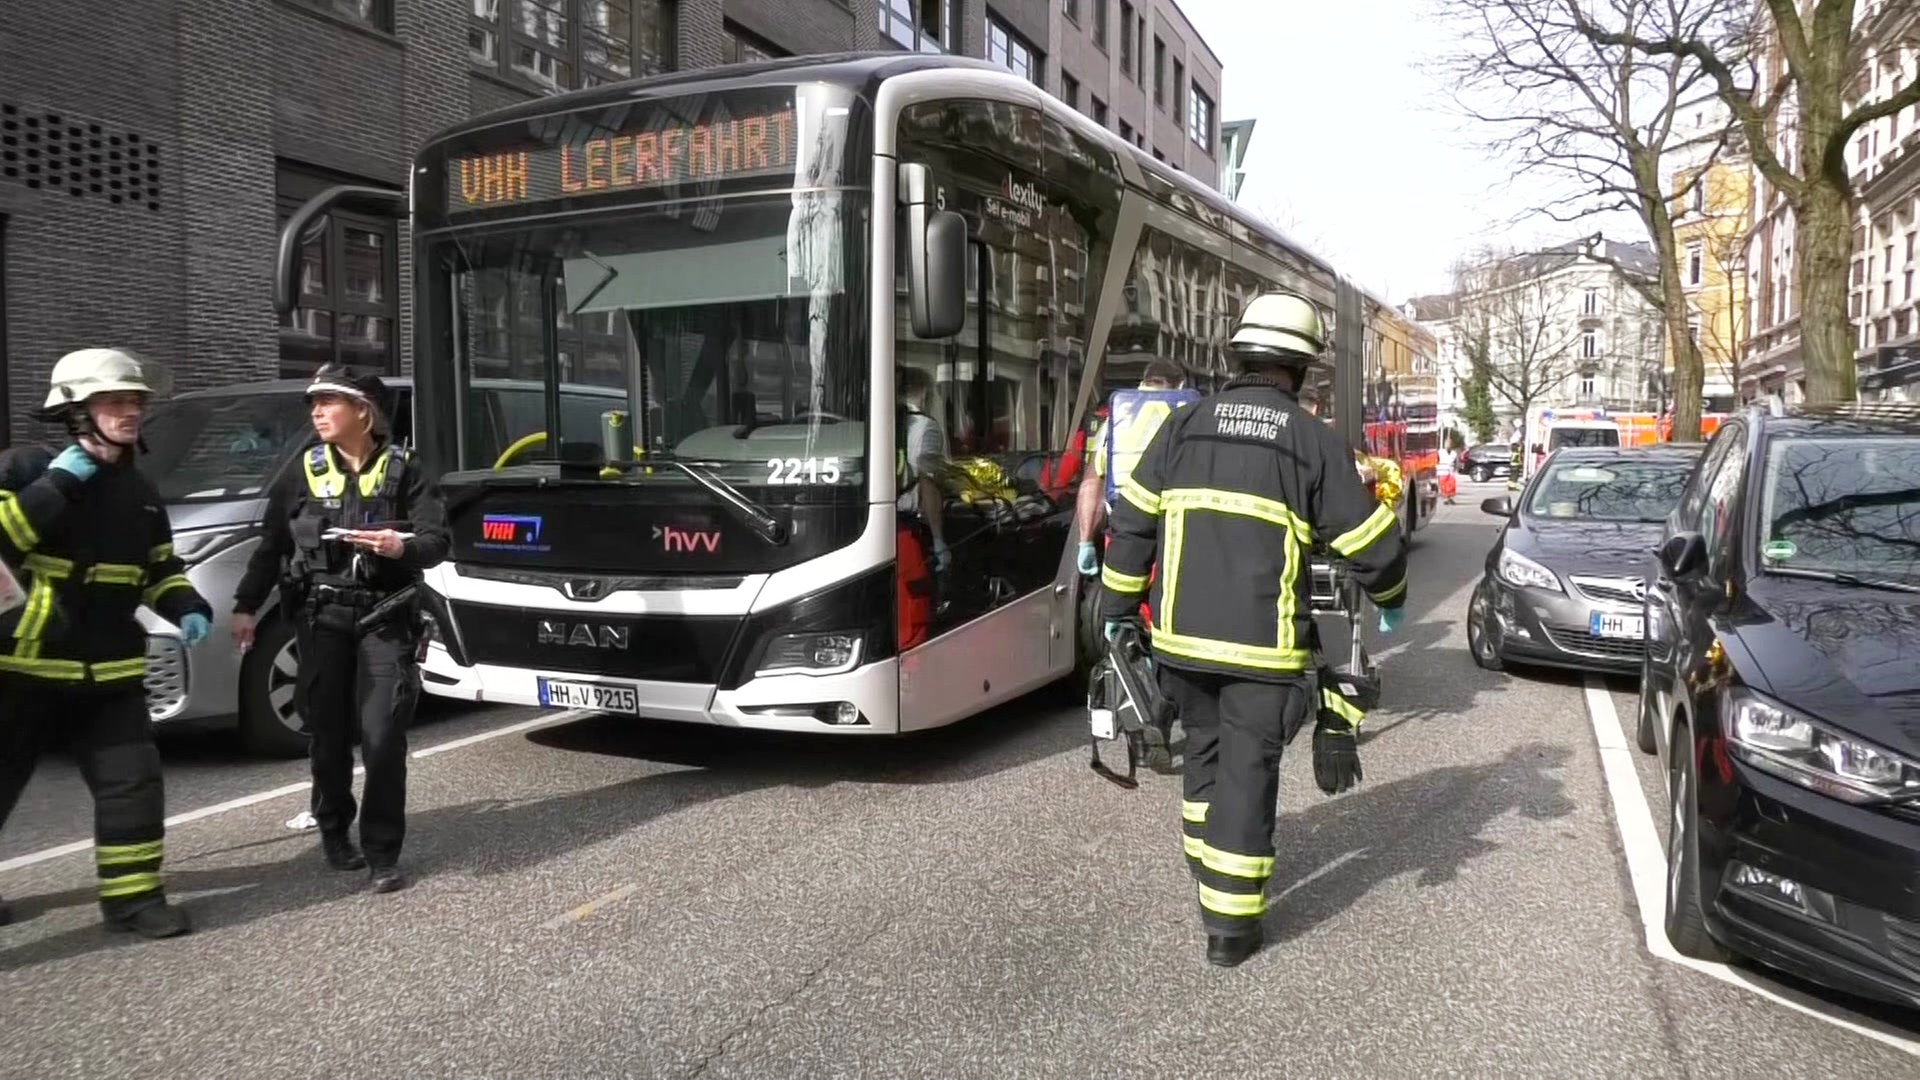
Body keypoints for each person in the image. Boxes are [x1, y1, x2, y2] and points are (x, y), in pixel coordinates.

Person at [1098, 292, 1409, 968]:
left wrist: (1116, 611)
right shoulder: (1309, 440)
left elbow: (1132, 525)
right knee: (1246, 775)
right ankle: (1231, 929)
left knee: (1204, 763)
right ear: (1299, 367)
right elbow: (1373, 548)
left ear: (1237, 356)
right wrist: (1393, 596)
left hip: (1180, 649)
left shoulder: (1183, 428)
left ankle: (1208, 875)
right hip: (1261, 655)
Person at [0, 348, 214, 937]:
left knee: (133, 787)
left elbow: (159, 567)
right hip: (23, 667)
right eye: (115, 402)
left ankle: (133, 902)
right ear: (75, 411)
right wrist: (61, 482)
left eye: (136, 402)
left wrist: (186, 605)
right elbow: (5, 539)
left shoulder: (139, 490)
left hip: (112, 671)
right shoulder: (21, 470)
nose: (130, 412)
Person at [231, 365, 449, 893]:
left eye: (328, 402)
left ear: (363, 412)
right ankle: (333, 830)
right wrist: (244, 605)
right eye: (314, 404)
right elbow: (272, 545)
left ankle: (382, 852)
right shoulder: (302, 470)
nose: (317, 412)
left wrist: (403, 548)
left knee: (381, 736)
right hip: (321, 618)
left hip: (385, 617)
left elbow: (438, 540)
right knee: (328, 735)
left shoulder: (407, 469)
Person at [1074, 357, 1198, 577]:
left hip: (1124, 534)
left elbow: (1091, 486)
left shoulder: (1115, 421)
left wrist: (1085, 543)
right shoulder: (1190, 415)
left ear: (1144, 381)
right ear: (1180, 385)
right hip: (1175, 537)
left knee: (1121, 601)